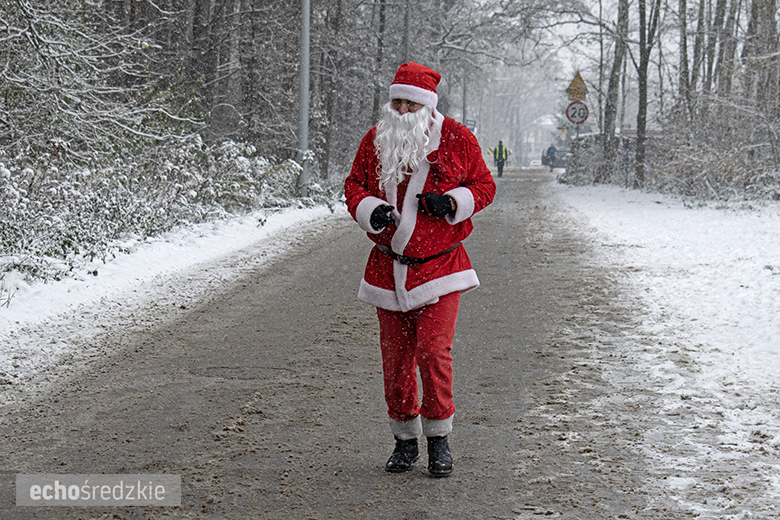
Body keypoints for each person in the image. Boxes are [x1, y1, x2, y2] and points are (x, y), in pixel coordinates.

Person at [344, 62, 496, 477]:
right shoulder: (376, 139)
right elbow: (354, 184)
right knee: (395, 362)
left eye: (411, 102)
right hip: (387, 269)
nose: (403, 108)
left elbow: (485, 185)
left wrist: (452, 202)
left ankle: (439, 440)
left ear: (427, 104)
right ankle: (404, 441)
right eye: (397, 100)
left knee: (433, 352)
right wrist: (369, 209)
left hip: (441, 268)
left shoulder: (457, 138)